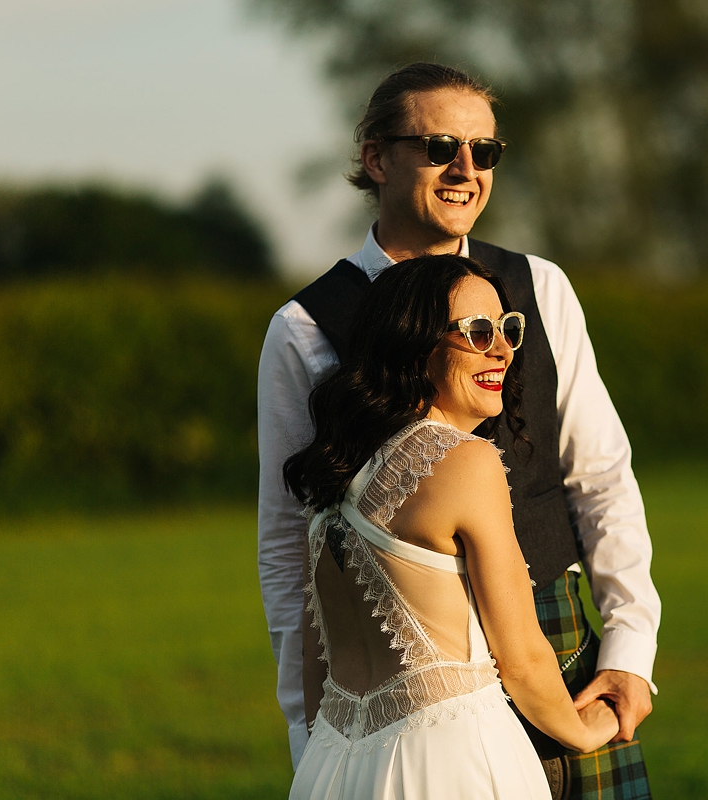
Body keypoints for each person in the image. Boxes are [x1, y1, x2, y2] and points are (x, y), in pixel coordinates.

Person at [258, 63, 660, 800]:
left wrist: (631, 647)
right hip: (403, 681)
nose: (466, 169)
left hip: (558, 644)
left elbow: (601, 477)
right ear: (376, 157)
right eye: (440, 147)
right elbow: (291, 545)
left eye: (486, 151)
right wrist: (310, 736)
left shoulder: (539, 287)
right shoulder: (306, 327)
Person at [283, 255, 619, 798]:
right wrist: (584, 731)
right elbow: (522, 656)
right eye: (478, 332)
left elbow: (312, 663)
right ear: (414, 345)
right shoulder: (466, 461)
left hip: (332, 768)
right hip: (448, 762)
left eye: (509, 328)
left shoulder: (330, 483)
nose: (504, 349)